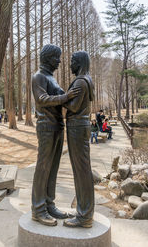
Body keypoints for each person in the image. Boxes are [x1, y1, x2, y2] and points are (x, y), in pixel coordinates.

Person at [31, 44, 80, 226]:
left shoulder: (51, 77)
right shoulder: (39, 77)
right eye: (56, 57)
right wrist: (65, 97)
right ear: (48, 58)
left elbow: (63, 96)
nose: (59, 61)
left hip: (57, 126)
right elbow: (42, 99)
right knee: (43, 168)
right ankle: (38, 209)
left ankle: (49, 204)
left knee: (53, 168)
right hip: (46, 127)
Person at [63, 51, 94, 228]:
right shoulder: (86, 79)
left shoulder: (81, 81)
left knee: (81, 171)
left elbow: (73, 107)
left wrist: (62, 98)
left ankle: (84, 216)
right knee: (82, 170)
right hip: (80, 127)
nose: (70, 64)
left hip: (77, 127)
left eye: (73, 61)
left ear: (80, 63)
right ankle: (85, 212)